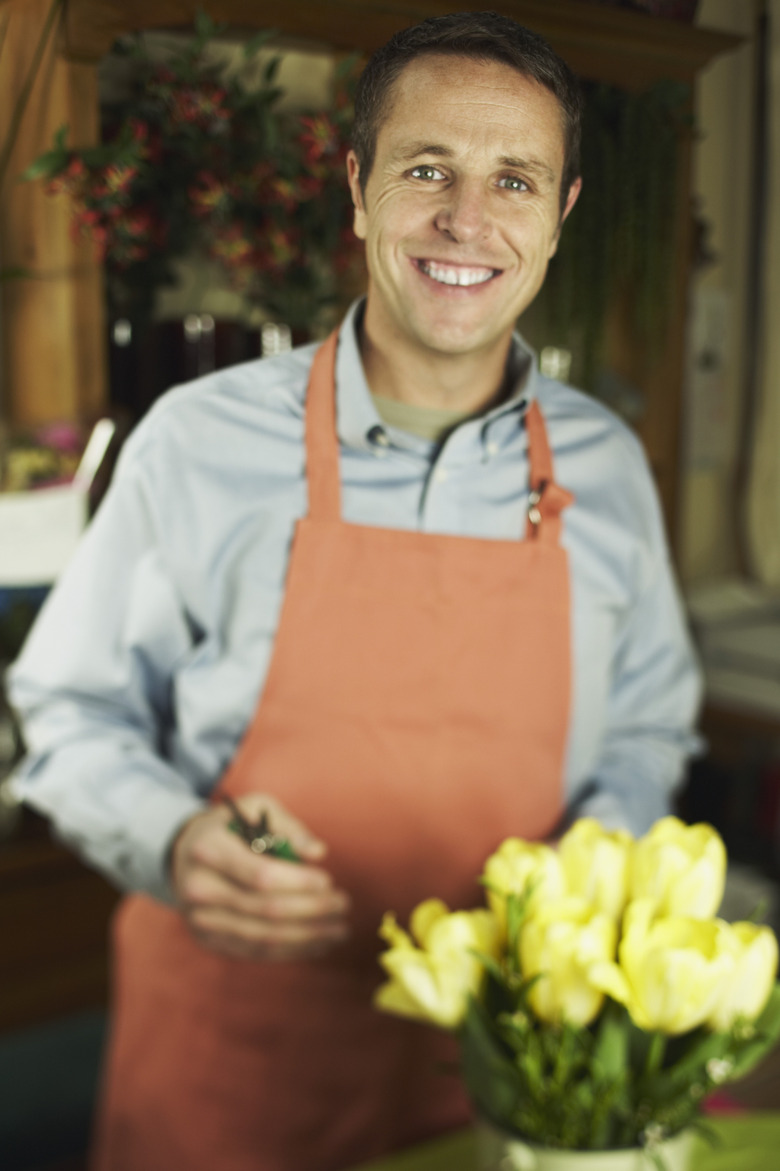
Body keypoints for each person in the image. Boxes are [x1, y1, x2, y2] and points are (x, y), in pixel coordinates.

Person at [8, 12, 700, 1171]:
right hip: (235, 1068)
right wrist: (176, 841)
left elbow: (645, 727)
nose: (466, 222)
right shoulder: (196, 442)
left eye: (514, 180)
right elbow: (68, 709)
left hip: (505, 1074)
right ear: (358, 187)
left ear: (561, 215)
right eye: (427, 169)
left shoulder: (609, 468)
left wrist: (575, 910)